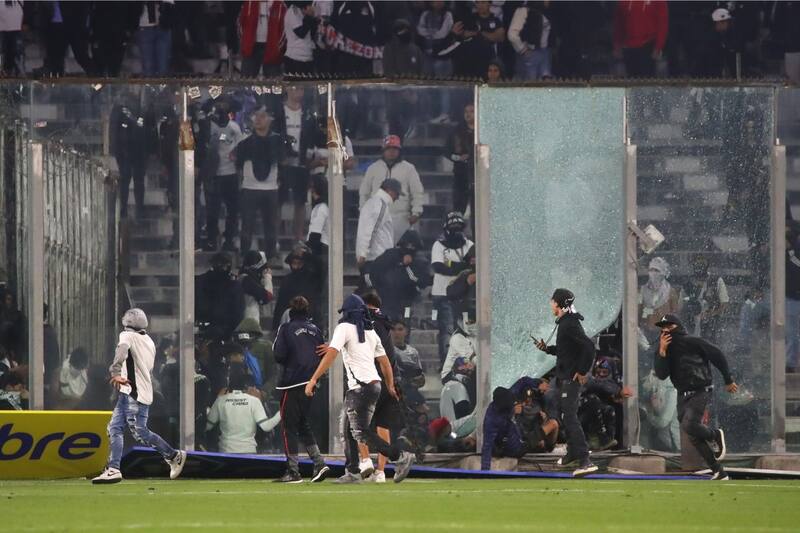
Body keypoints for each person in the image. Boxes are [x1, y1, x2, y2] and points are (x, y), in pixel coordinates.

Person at [305, 294, 416, 483]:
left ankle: (400, 457)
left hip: (360, 387)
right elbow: (385, 363)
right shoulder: (371, 332)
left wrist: (313, 379)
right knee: (346, 428)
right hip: (374, 385)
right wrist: (389, 385)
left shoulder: (344, 328)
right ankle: (353, 471)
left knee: (361, 431)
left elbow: (332, 353)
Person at [92, 309, 187, 484]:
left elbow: (121, 352)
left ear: (126, 323)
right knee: (115, 427)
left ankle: (173, 455)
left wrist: (115, 371)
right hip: (134, 390)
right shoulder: (149, 340)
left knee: (140, 432)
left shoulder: (127, 335)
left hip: (133, 391)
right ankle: (113, 468)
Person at [654, 314, 738, 480]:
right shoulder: (663, 349)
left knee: (690, 424)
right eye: (662, 328)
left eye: (669, 327)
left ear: (678, 327)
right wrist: (662, 351)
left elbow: (718, 355)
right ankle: (718, 471)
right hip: (682, 394)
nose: (665, 331)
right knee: (692, 433)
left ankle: (714, 434)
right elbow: (661, 374)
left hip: (701, 389)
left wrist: (728, 379)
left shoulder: (693, 342)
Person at [533, 289, 598, 477]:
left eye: (552, 301)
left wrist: (582, 370)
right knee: (565, 415)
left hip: (571, 379)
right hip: (564, 377)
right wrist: (548, 349)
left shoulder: (570, 323)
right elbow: (566, 350)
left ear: (558, 303)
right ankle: (572, 453)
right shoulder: (566, 323)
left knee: (569, 417)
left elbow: (589, 346)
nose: (550, 304)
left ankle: (585, 459)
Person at [272, 296, 329, 482]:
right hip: (311, 382)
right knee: (303, 424)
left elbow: (278, 354)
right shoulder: (316, 330)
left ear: (291, 311)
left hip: (292, 382)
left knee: (288, 426)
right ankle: (319, 463)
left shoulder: (286, 328)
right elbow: (323, 354)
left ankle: (293, 471)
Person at [361, 290, 406, 483]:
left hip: (370, 379)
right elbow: (389, 358)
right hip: (390, 380)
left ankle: (365, 462)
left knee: (356, 423)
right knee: (383, 425)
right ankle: (381, 472)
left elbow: (378, 357)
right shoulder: (386, 323)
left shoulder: (364, 322)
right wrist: (391, 383)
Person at [236, 105, 286, 257]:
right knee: (247, 225)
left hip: (271, 189)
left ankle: (271, 257)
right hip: (249, 188)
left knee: (270, 227)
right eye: (255, 115)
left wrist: (279, 183)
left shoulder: (277, 141)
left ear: (270, 119)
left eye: (262, 116)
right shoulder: (245, 142)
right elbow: (238, 165)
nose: (258, 119)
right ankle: (245, 256)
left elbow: (282, 163)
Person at [359, 135, 425, 242]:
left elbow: (417, 192)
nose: (391, 152)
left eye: (394, 149)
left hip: (402, 218)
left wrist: (416, 212)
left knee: (401, 252)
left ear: (399, 150)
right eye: (388, 148)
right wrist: (364, 212)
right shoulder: (373, 168)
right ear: (383, 150)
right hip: (377, 218)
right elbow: (364, 192)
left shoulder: (409, 168)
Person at [206, 364, 281, 454]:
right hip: (248, 453)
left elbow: (207, 426)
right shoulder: (254, 401)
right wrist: (282, 412)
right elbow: (266, 427)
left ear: (229, 381)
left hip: (225, 453)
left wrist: (206, 409)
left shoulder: (220, 400)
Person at [431, 212, 473, 367]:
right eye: (452, 227)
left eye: (459, 227)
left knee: (465, 330)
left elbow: (474, 264)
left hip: (463, 294)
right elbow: (438, 266)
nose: (456, 231)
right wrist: (461, 267)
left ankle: (465, 364)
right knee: (447, 331)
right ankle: (447, 365)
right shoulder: (439, 244)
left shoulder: (468, 244)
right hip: (443, 294)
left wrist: (454, 266)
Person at [276, 86, 316, 242]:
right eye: (293, 89)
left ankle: (298, 238)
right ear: (287, 90)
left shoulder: (307, 113)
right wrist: (280, 156)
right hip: (283, 164)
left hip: (301, 163)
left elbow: (312, 136)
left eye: (300, 89)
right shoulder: (279, 112)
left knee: (300, 202)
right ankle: (275, 239)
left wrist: (308, 156)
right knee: (278, 201)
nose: (297, 92)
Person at [366, 230, 431, 323]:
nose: (410, 248)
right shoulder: (390, 255)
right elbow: (373, 270)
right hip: (386, 299)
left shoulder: (420, 261)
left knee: (404, 325)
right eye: (407, 245)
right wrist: (373, 288)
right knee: (386, 325)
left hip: (408, 300)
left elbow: (423, 281)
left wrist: (407, 266)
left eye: (413, 246)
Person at [205, 100, 244, 252]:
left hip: (231, 174)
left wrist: (236, 156)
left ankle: (229, 239)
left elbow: (241, 146)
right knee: (212, 210)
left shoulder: (234, 127)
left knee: (232, 210)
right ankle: (211, 239)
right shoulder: (210, 127)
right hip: (215, 174)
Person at [579, 356, 632, 451]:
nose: (600, 375)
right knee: (592, 400)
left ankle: (615, 445)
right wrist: (618, 392)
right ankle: (597, 439)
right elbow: (597, 384)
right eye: (598, 372)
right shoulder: (590, 382)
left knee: (615, 409)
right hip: (583, 423)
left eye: (604, 372)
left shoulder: (616, 386)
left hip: (610, 428)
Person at [355, 178, 402, 281]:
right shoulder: (380, 205)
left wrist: (362, 253)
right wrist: (363, 254)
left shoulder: (371, 203)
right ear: (390, 191)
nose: (397, 198)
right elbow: (372, 230)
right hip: (377, 258)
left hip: (371, 257)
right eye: (397, 194)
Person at [271, 244, 323, 331]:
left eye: (299, 263)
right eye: (294, 263)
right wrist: (275, 327)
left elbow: (321, 266)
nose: (296, 267)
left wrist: (305, 255)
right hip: (291, 322)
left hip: (311, 321)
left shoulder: (313, 279)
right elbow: (280, 305)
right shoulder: (287, 280)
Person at [195, 252, 244, 343]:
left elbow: (238, 313)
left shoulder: (233, 285)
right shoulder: (200, 281)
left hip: (221, 330)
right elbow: (238, 314)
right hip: (214, 330)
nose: (222, 267)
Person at [612, 0, 668, 78]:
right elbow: (619, 24)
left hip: (648, 45)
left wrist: (658, 47)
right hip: (628, 47)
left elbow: (662, 23)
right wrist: (617, 45)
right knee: (631, 80)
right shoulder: (623, 2)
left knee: (647, 82)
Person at [682, 256, 729, 343]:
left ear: (707, 264)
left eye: (702, 262)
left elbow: (725, 303)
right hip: (692, 317)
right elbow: (680, 305)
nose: (699, 265)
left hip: (711, 316)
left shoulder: (716, 280)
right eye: (696, 262)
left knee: (709, 341)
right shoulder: (688, 282)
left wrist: (713, 313)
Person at [239, 0, 287, 78]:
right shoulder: (249, 3)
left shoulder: (280, 5)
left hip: (272, 49)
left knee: (273, 83)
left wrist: (277, 47)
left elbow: (284, 29)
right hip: (251, 48)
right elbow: (240, 23)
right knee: (246, 82)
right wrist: (245, 43)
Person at [481, 386, 524, 470]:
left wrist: (538, 383)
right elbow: (487, 446)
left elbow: (522, 381)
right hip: (511, 448)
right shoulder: (491, 420)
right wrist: (485, 471)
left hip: (520, 434)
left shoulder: (508, 394)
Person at [508, 2, 554, 81]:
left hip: (544, 53)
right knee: (529, 86)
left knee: (545, 85)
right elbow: (512, 35)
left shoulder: (545, 12)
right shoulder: (524, 10)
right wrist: (523, 50)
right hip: (530, 54)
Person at [448, 103, 475, 218]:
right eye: (466, 112)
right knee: (458, 208)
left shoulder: (482, 129)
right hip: (460, 173)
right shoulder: (457, 130)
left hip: (477, 174)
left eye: (471, 111)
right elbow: (446, 149)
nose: (468, 114)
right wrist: (457, 157)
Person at [136, 0, 174, 76]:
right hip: (145, 26)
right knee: (148, 68)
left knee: (163, 68)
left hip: (164, 26)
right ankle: (150, 87)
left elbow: (171, 5)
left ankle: (161, 87)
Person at [239, 250, 274, 324]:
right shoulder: (246, 280)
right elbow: (267, 297)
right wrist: (267, 278)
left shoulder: (243, 277)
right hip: (248, 320)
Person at [283, 1, 317, 74]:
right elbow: (301, 33)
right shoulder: (292, 11)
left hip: (308, 56)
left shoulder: (302, 9)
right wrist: (308, 16)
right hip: (295, 57)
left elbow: (312, 33)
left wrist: (312, 17)